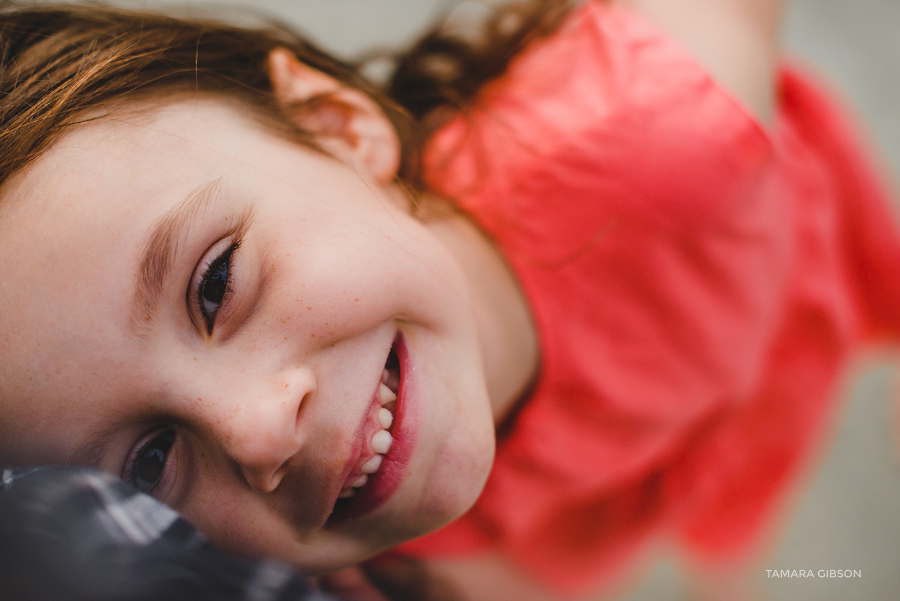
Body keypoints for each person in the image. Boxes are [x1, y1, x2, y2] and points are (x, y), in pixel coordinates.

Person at [0, 0, 896, 599]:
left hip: (774, 284)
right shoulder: (370, 538)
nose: (258, 434)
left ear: (339, 130)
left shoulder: (659, 136)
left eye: (215, 283)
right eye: (149, 462)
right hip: (638, 464)